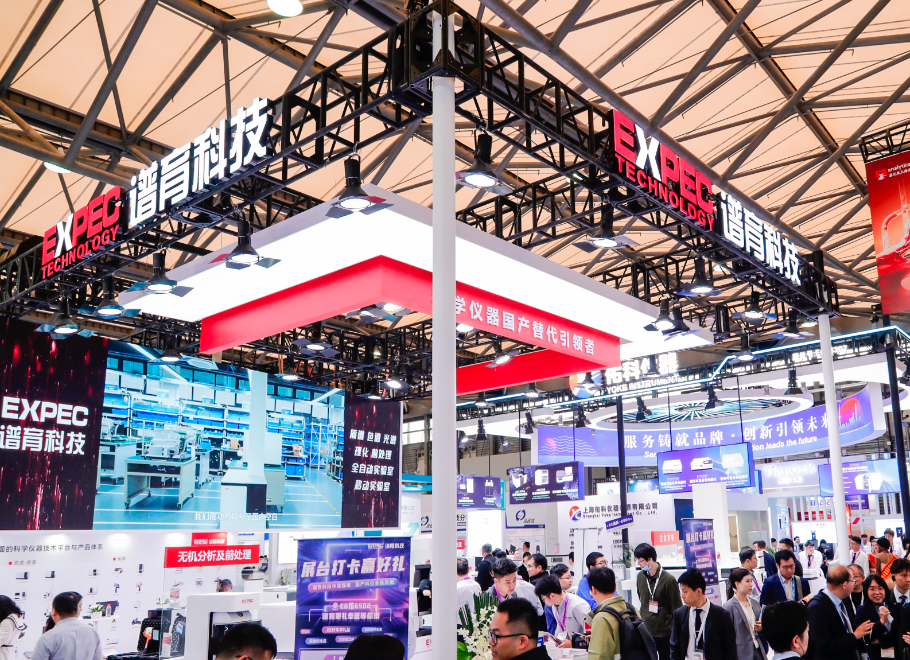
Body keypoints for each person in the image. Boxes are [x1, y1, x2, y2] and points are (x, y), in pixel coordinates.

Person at [805, 564, 874, 660]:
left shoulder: (845, 599)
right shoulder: (817, 607)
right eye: (853, 581)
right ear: (844, 585)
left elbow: (851, 628)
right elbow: (823, 646)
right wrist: (854, 636)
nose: (854, 585)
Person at [669, 568, 736, 660]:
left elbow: (730, 650)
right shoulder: (679, 614)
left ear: (699, 591)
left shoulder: (721, 615)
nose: (682, 596)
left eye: (685, 591)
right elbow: (674, 647)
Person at [636, 543, 684, 660]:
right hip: (646, 631)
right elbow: (642, 600)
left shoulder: (668, 580)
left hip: (664, 633)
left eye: (641, 561)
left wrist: (677, 633)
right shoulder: (640, 577)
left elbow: (677, 608)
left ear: (650, 559)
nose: (638, 564)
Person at [587, 566, 641, 660]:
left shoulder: (601, 618)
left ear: (593, 589)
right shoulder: (632, 609)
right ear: (615, 587)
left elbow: (599, 656)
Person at [32, 592, 102, 660]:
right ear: (78, 610)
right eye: (80, 606)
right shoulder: (93, 633)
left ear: (54, 611)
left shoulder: (48, 638)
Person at [723, 568, 768, 660]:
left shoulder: (755, 603)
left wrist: (762, 627)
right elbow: (727, 636)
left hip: (758, 648)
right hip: (741, 653)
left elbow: (761, 624)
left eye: (751, 581)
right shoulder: (729, 606)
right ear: (737, 584)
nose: (751, 584)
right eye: (747, 581)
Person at [533, 575, 589, 645]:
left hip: (581, 648)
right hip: (566, 647)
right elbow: (560, 625)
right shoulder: (555, 605)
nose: (544, 601)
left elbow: (593, 634)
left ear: (552, 595)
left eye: (543, 599)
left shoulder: (577, 606)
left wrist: (573, 644)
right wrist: (556, 637)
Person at [854, 574, 895, 660]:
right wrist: (881, 622)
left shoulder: (895, 606)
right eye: (872, 589)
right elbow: (865, 637)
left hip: (896, 653)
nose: (877, 592)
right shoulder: (862, 610)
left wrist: (882, 641)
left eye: (880, 588)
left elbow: (900, 633)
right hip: (875, 655)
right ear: (866, 591)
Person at [458, 557, 483, 623]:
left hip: (459, 623)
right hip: (474, 623)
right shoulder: (477, 585)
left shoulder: (456, 587)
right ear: (468, 569)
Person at [0, 596, 25, 660]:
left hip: (3, 654)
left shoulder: (7, 622)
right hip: (8, 653)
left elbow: (1, 639)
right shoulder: (15, 618)